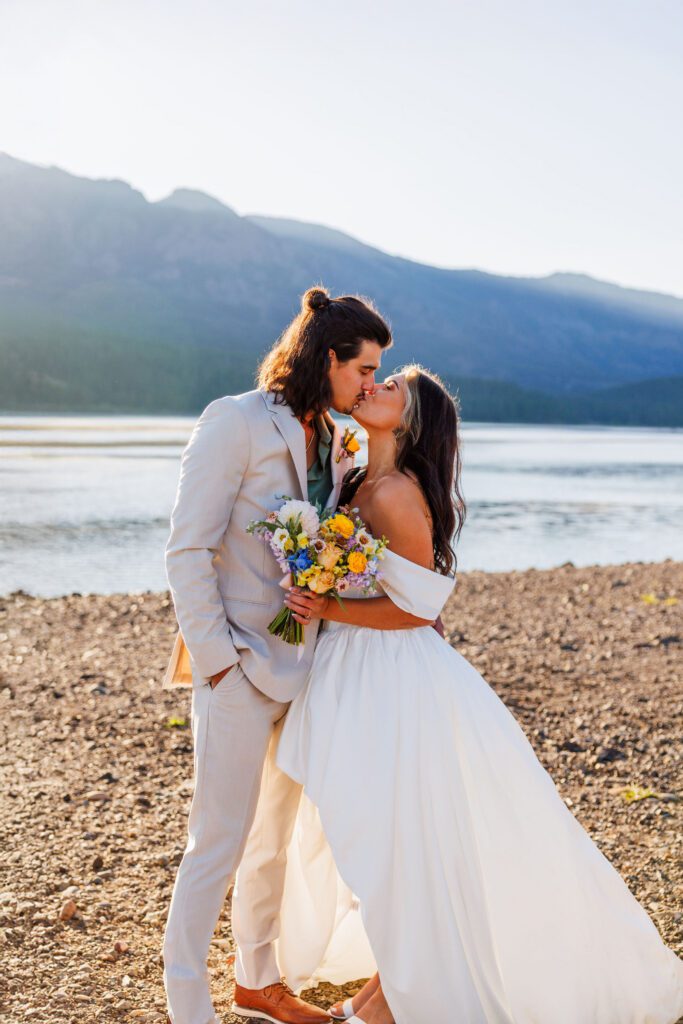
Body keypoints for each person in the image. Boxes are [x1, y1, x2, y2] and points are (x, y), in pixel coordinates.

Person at [276, 365, 683, 1024]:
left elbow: (417, 610)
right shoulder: (356, 478)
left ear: (409, 421)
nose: (374, 387)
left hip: (394, 681)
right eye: (375, 381)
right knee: (384, 838)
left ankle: (398, 998)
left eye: (392, 390)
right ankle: (388, 987)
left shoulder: (400, 494)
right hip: (356, 669)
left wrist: (327, 606)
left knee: (399, 840)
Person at [162, 285, 392, 1024]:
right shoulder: (234, 422)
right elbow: (187, 548)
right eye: (364, 368)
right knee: (217, 842)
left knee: (271, 841)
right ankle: (186, 1002)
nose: (370, 382)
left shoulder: (339, 440)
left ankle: (256, 982)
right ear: (329, 358)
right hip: (236, 668)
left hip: (304, 670)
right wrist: (219, 659)